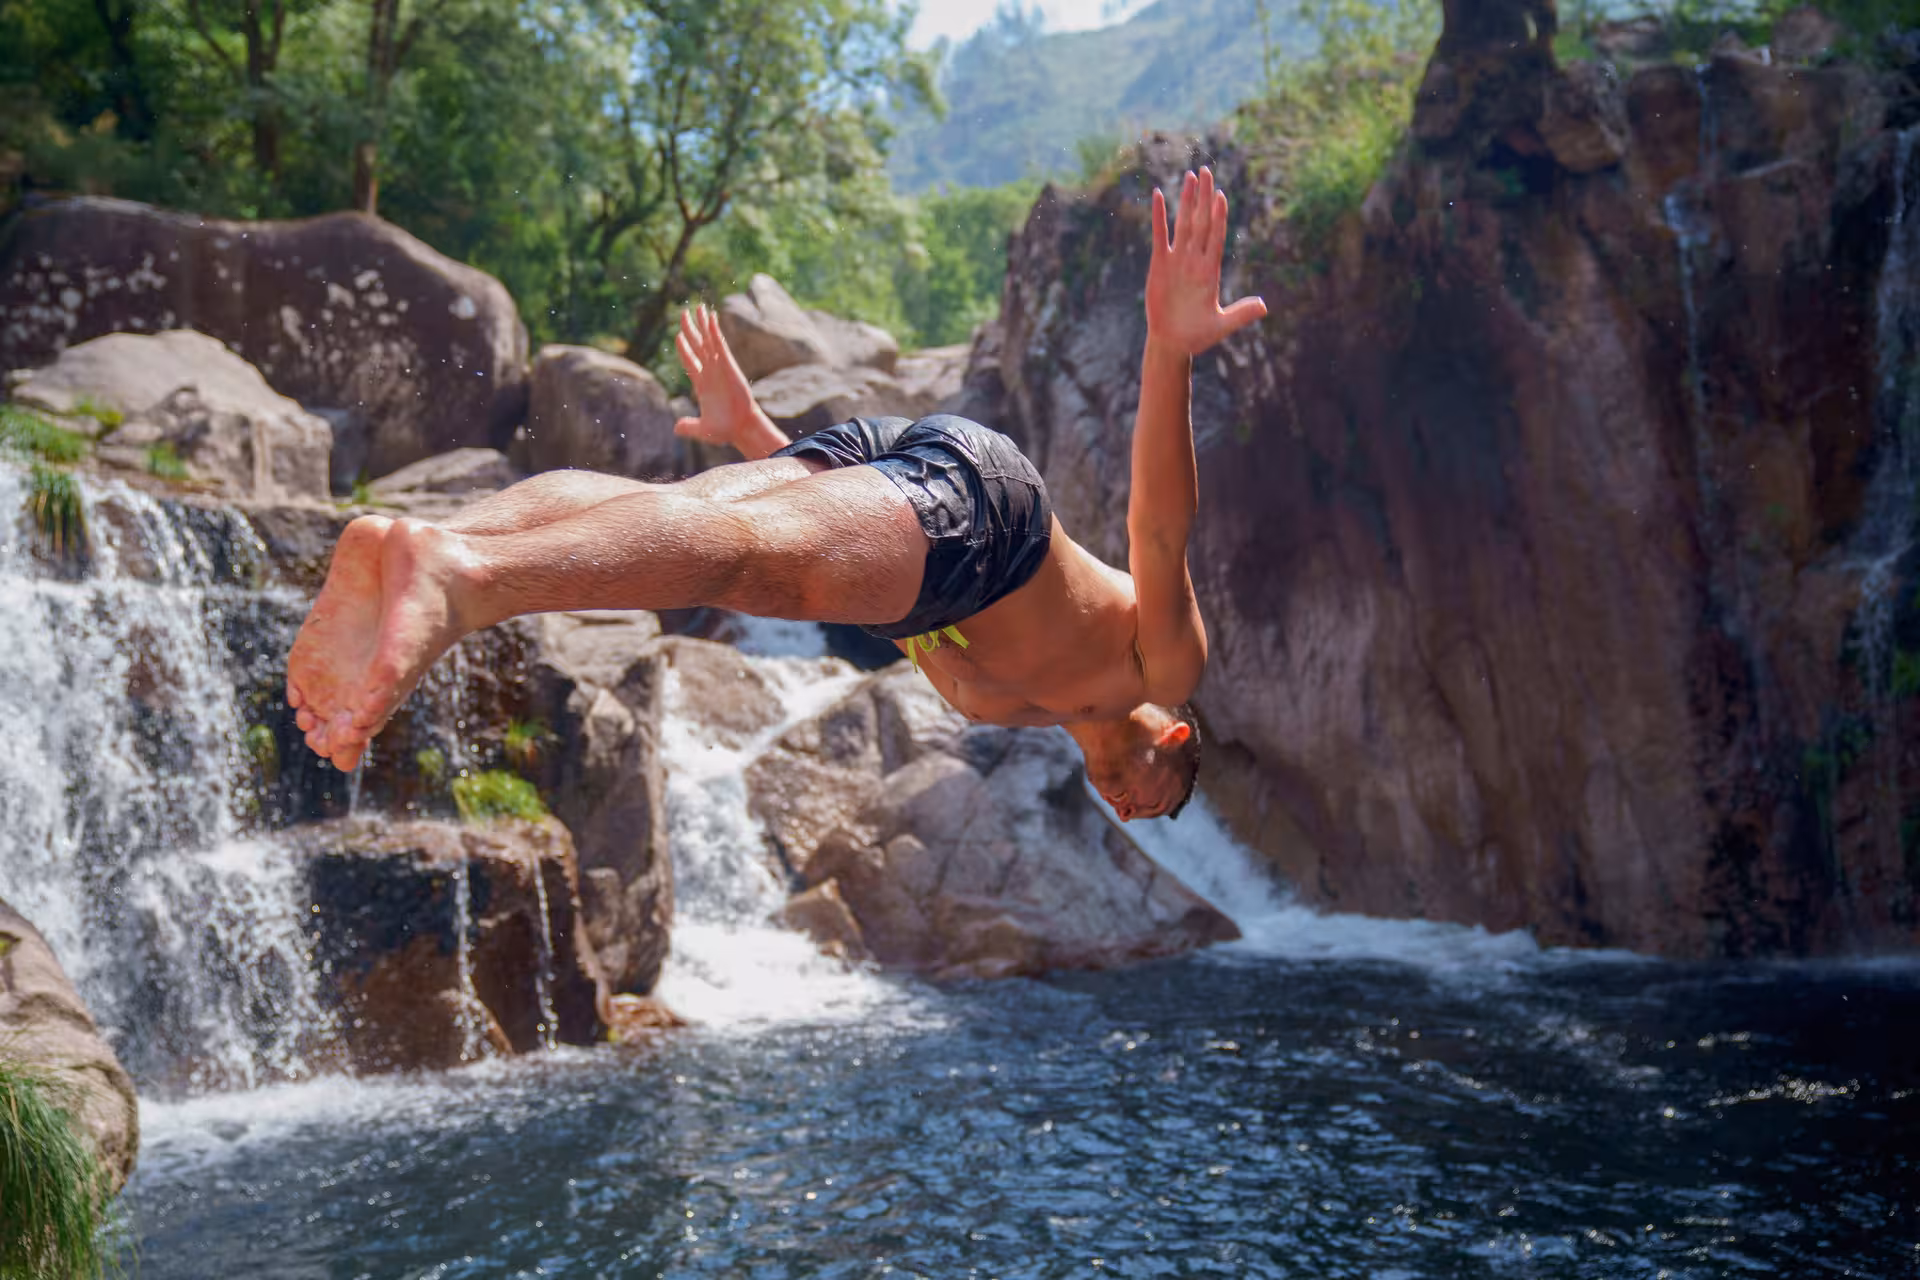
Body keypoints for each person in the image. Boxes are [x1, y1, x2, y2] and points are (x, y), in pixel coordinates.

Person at [286, 166, 1266, 821]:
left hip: (920, 502)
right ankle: (463, 578)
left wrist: (757, 433)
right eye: (1158, 794)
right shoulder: (1162, 668)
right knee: (763, 574)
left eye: (1135, 815)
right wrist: (1170, 351)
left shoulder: (1024, 709)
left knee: (712, 515)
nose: (1130, 809)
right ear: (1174, 741)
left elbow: (866, 551)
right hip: (992, 522)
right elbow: (1159, 529)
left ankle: (422, 538)